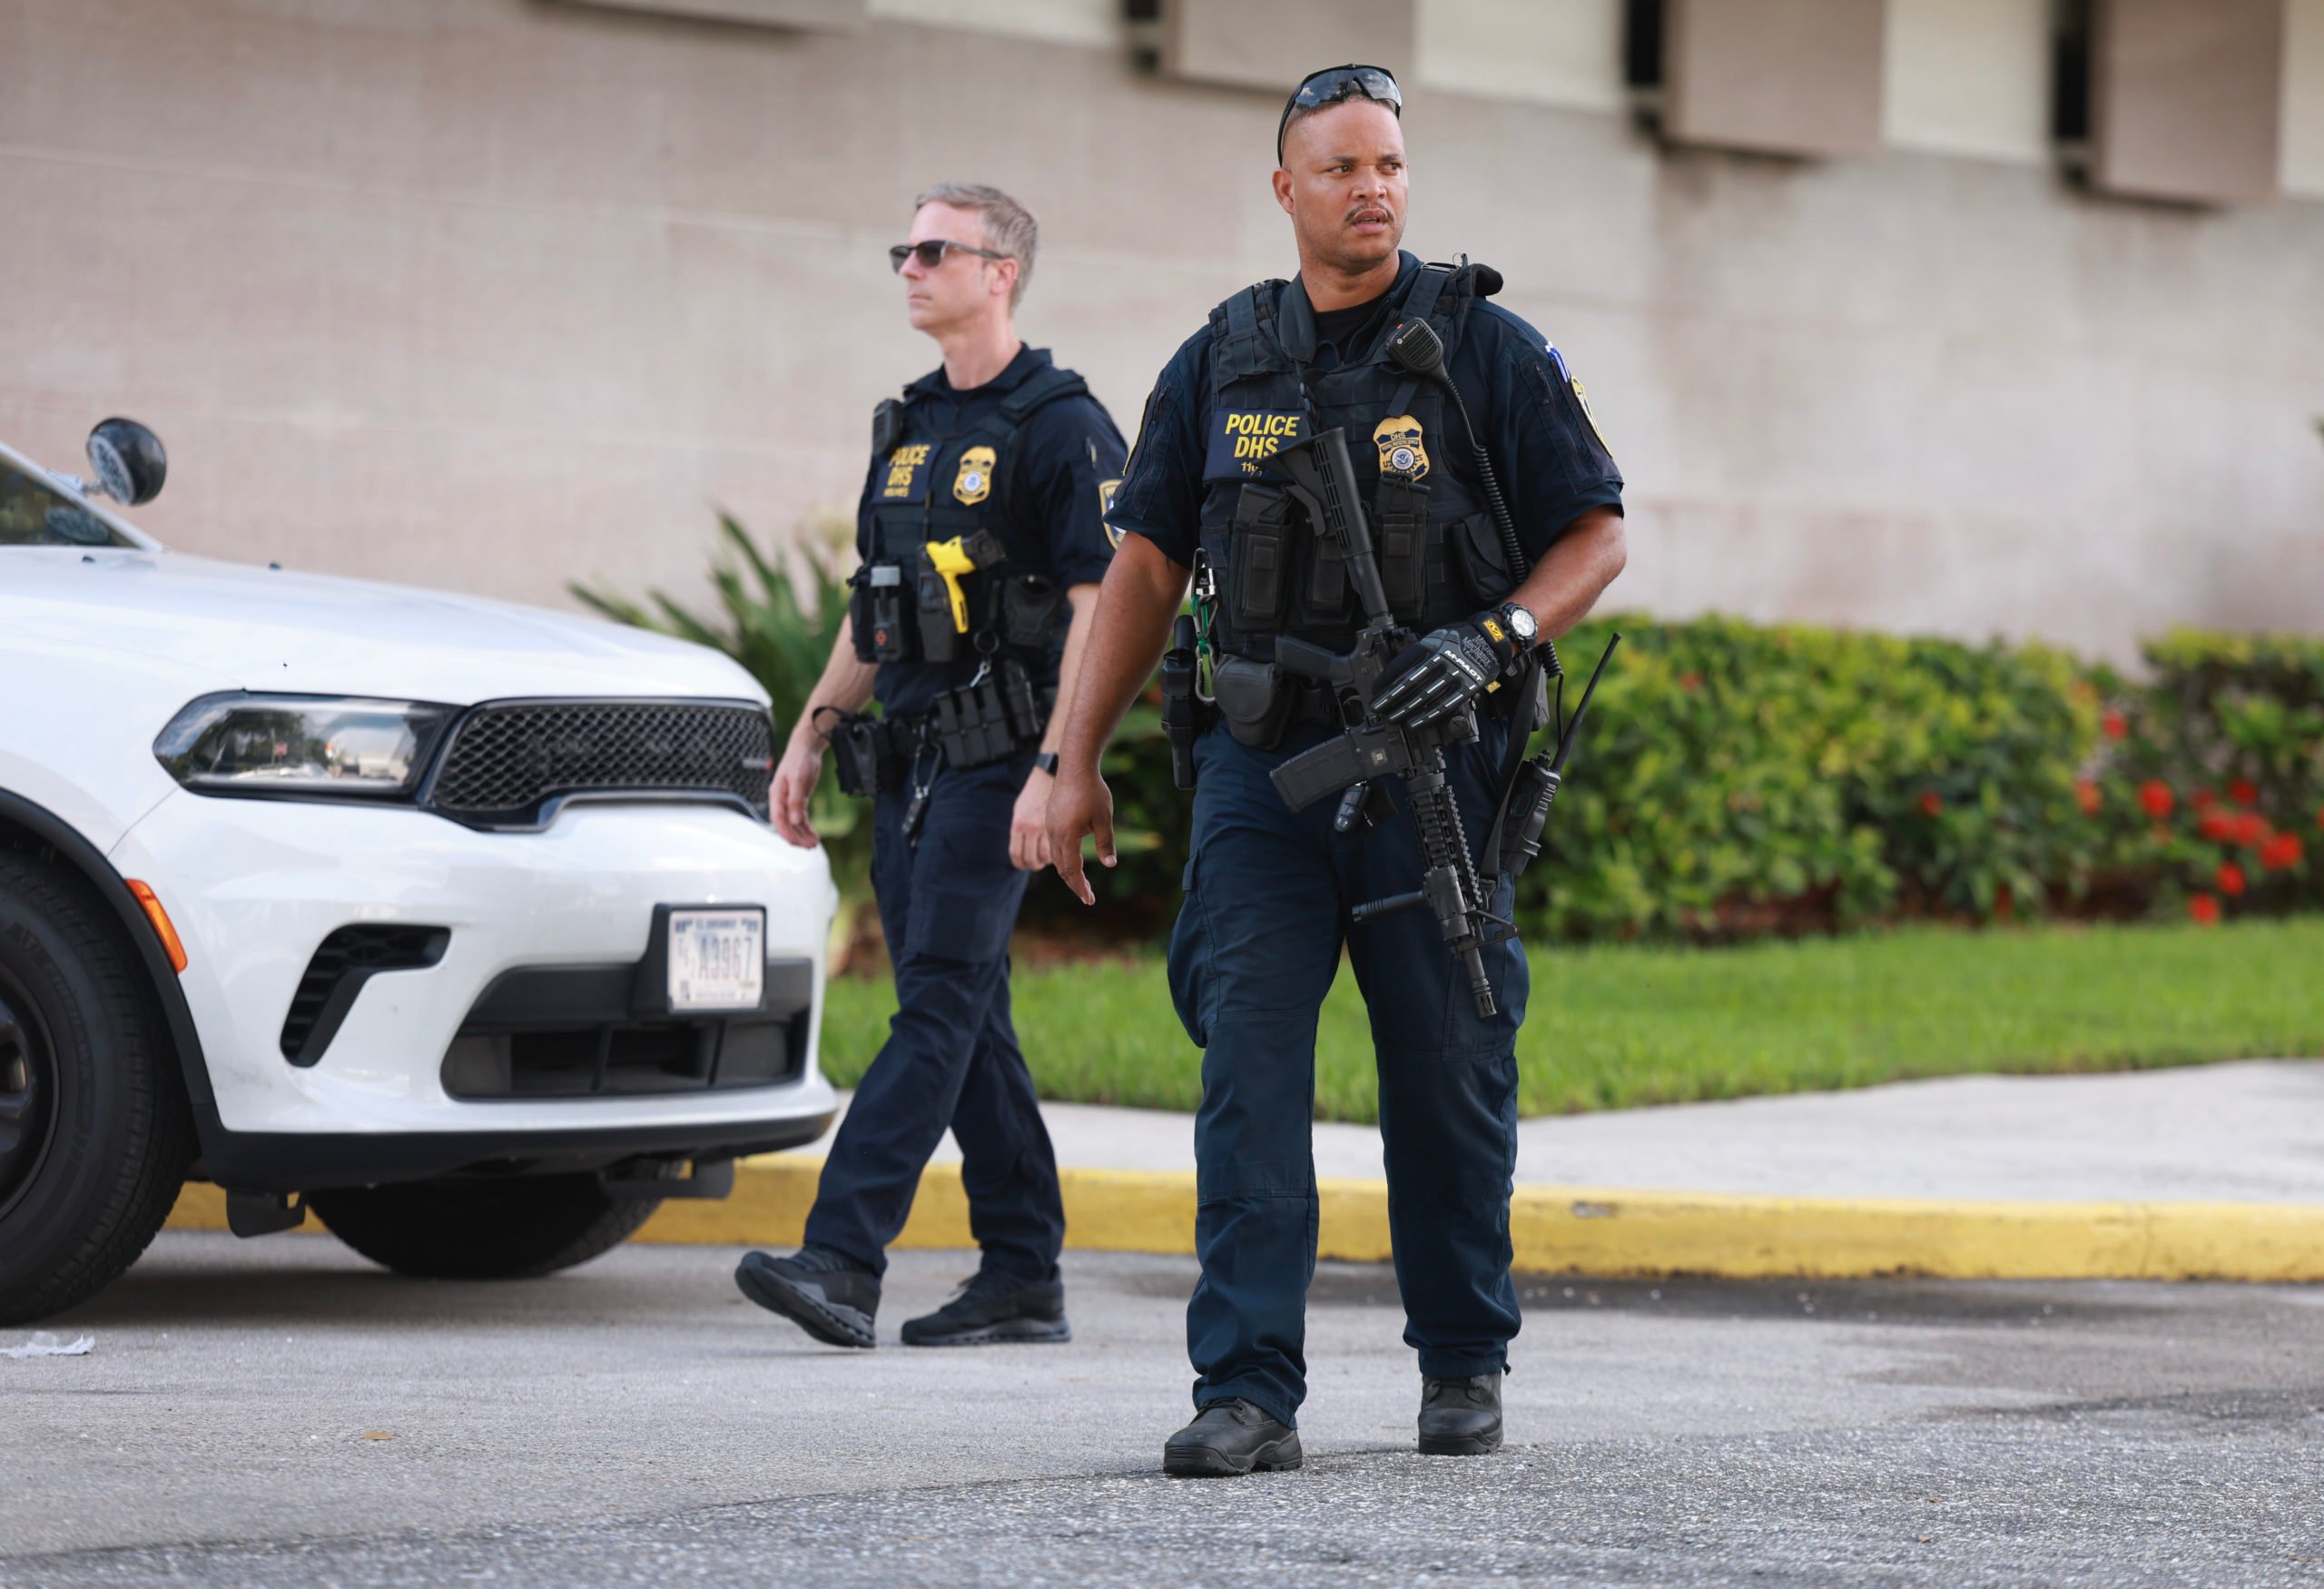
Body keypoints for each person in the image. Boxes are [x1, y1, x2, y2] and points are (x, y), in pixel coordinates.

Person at [1046, 65, 1628, 1475]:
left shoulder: (1484, 346)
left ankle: (1462, 1362)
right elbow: (1141, 568)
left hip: (1439, 764)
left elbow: (1595, 535)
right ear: (1287, 188)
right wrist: (1069, 762)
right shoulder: (1222, 360)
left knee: (1446, 1068)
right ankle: (1246, 1387)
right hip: (1262, 769)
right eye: (1344, 166)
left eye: (1391, 165)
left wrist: (1494, 639)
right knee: (1248, 1067)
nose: (1373, 187)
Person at [736, 183, 1126, 1350]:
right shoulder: (906, 425)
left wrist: (1059, 766)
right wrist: (811, 729)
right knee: (969, 1015)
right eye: (900, 248)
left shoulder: (1062, 424)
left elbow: (1103, 609)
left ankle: (843, 1258)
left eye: (933, 248)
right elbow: (876, 610)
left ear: (999, 271)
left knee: (937, 1003)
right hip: (903, 767)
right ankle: (1021, 1273)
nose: (908, 266)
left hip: (1000, 759)